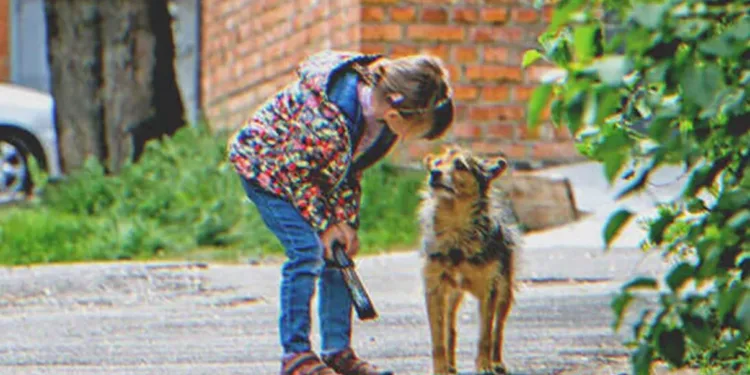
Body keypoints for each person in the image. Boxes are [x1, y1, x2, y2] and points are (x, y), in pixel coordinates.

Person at [228, 50, 454, 375]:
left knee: (338, 253)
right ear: (395, 102)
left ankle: (337, 351)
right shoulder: (328, 114)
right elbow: (297, 174)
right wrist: (323, 225)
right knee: (306, 251)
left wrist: (345, 223)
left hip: (312, 174)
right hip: (267, 168)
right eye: (410, 127)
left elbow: (350, 172)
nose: (405, 136)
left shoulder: (381, 124)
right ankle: (296, 356)